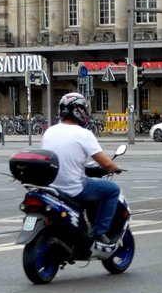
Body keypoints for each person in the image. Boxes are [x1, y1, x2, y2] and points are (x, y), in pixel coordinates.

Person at [40, 92, 123, 251]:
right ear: (79, 111)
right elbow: (106, 163)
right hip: (73, 189)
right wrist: (115, 167)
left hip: (51, 188)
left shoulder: (49, 131)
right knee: (113, 190)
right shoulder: (84, 134)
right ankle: (99, 233)